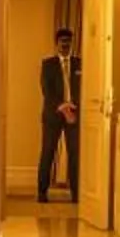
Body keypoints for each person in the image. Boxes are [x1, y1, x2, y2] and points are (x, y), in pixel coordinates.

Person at [37, 26, 81, 204]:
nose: (65, 45)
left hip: (74, 115)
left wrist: (73, 108)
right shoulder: (48, 64)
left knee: (75, 154)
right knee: (48, 152)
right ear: (57, 44)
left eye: (68, 42)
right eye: (62, 42)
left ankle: (77, 194)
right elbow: (47, 90)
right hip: (53, 115)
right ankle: (42, 192)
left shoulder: (80, 64)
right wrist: (63, 107)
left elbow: (84, 88)